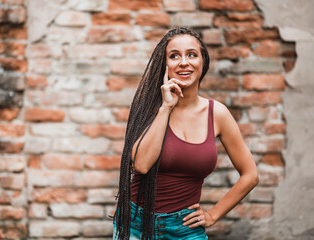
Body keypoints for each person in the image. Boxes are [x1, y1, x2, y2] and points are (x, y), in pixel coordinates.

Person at [111, 27, 259, 240]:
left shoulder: (217, 113)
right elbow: (142, 164)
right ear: (165, 66)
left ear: (203, 62)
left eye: (192, 54)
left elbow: (250, 175)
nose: (183, 62)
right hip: (136, 225)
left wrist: (213, 215)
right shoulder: (149, 109)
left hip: (185, 229)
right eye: (174, 56)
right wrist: (166, 108)